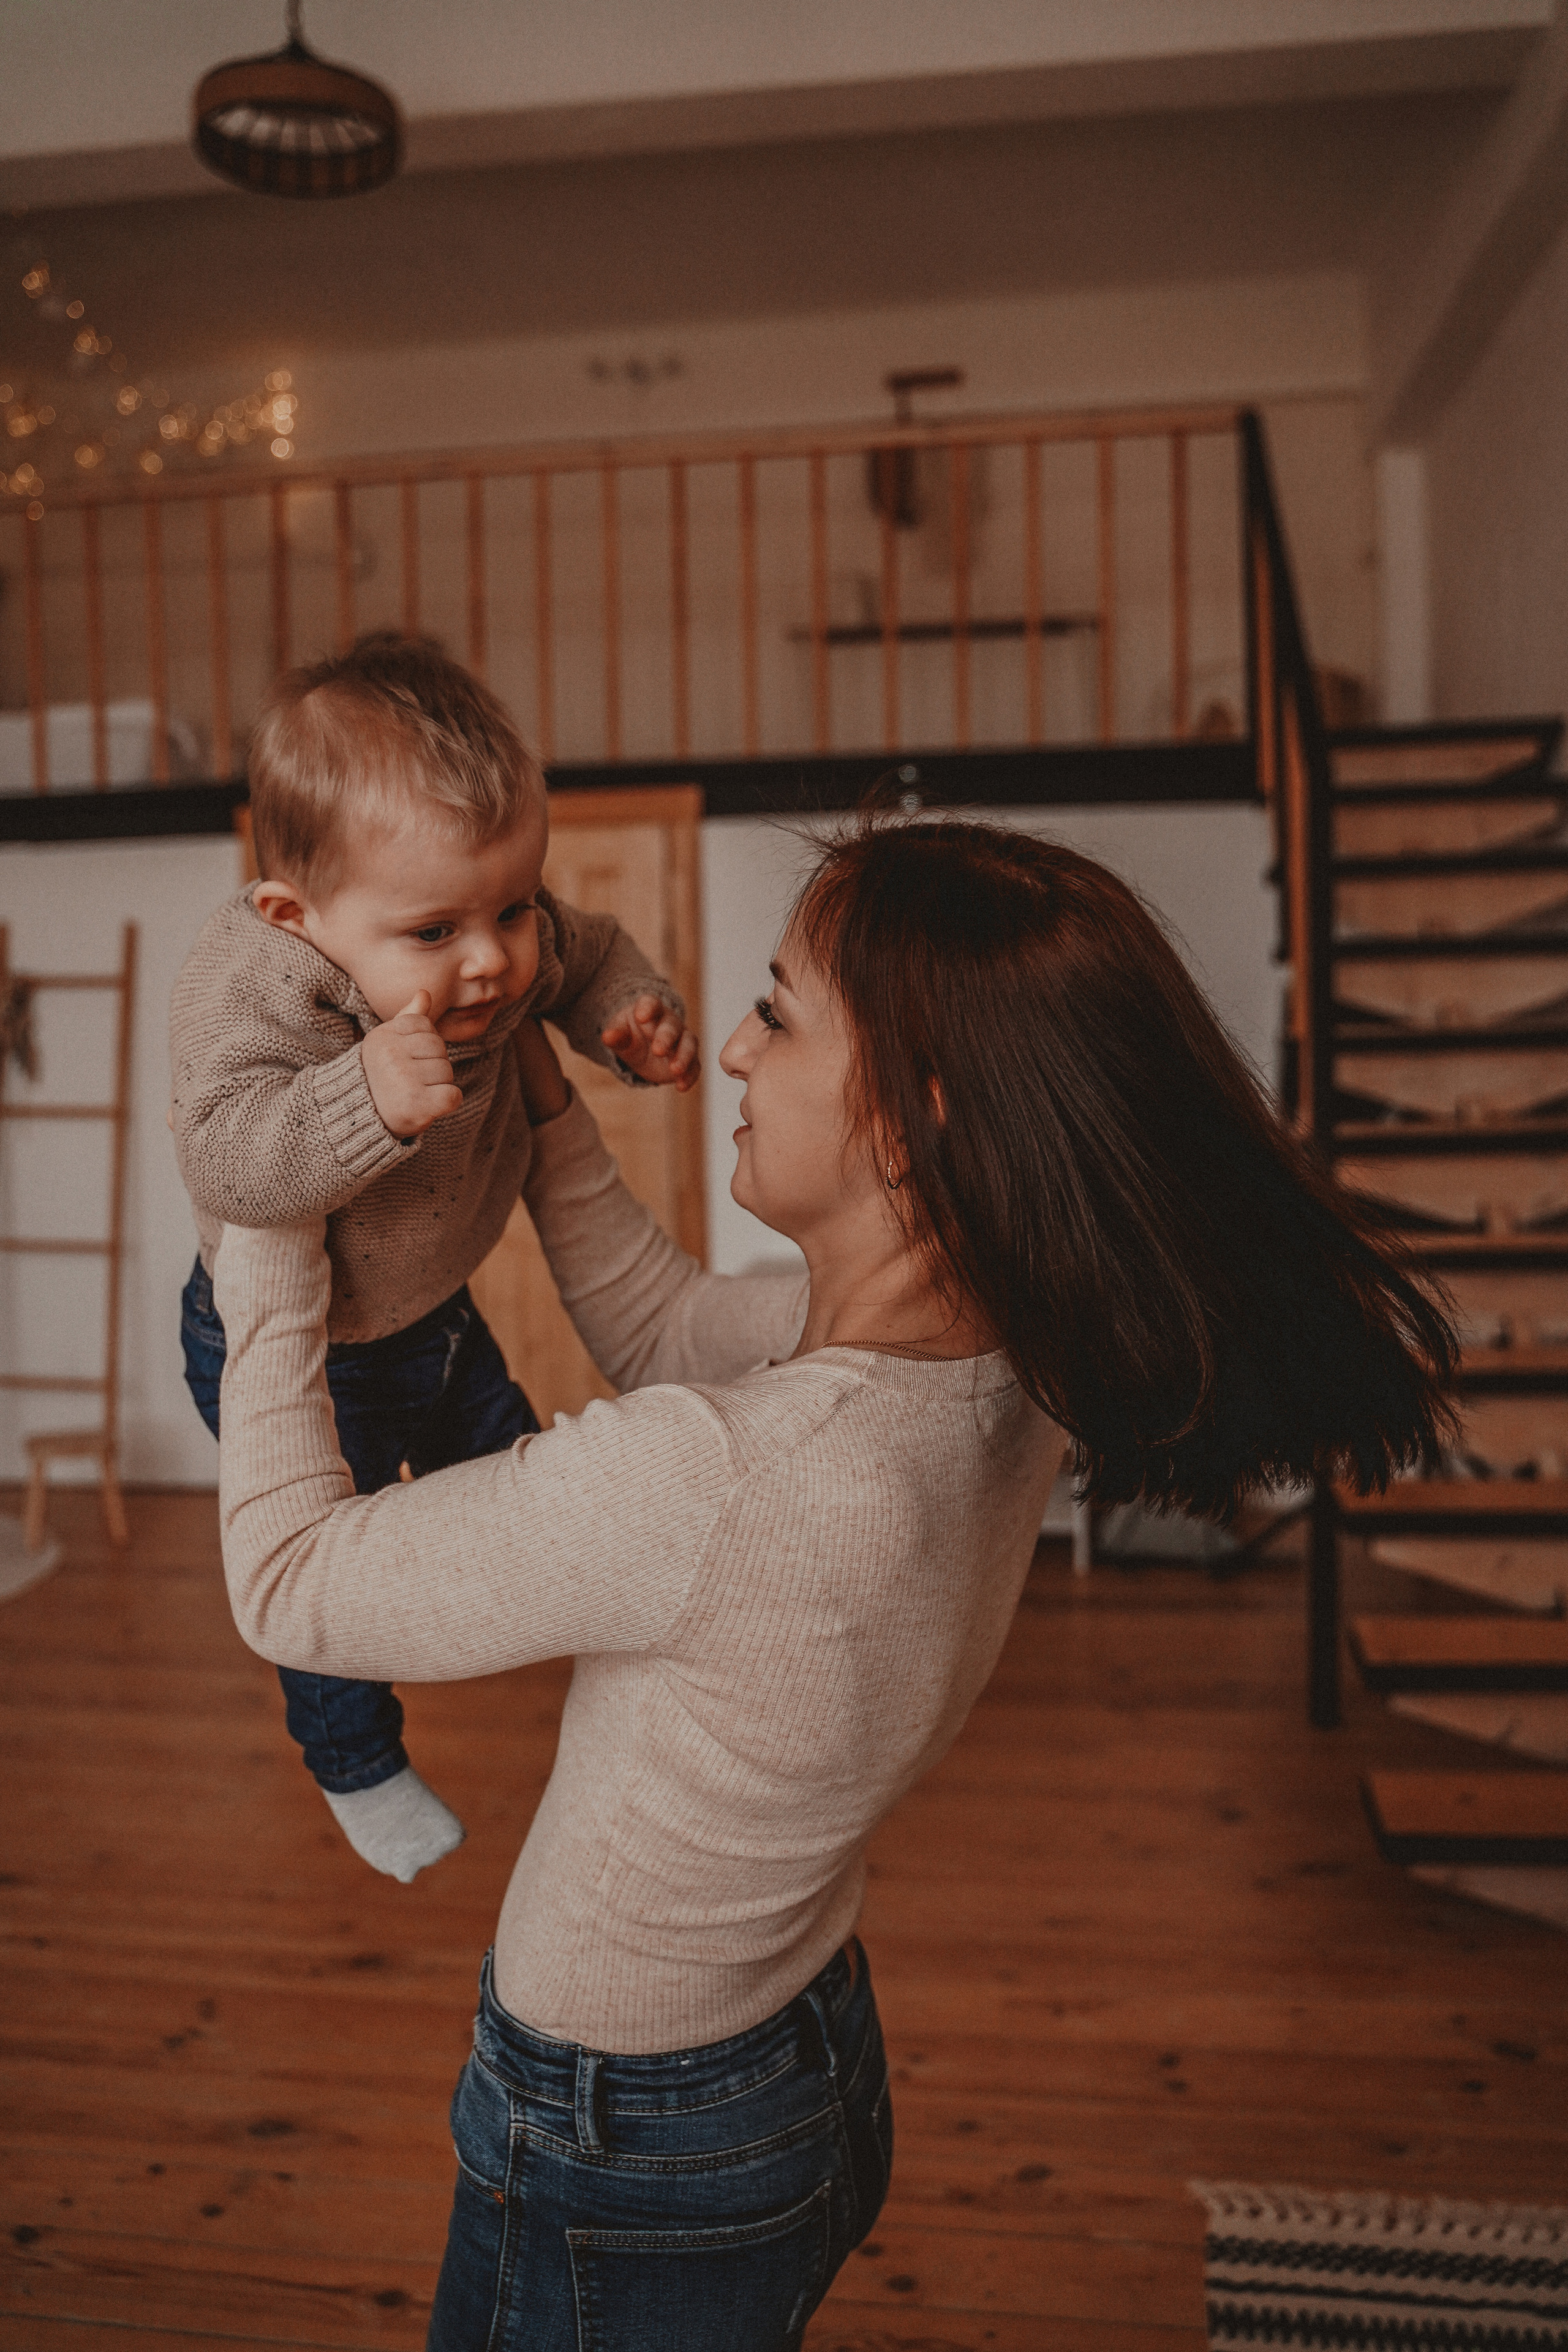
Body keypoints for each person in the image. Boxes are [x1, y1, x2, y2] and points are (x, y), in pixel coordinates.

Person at [209, 812, 1455, 2349]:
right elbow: (667, 1327)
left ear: (913, 1119)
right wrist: (539, 1097)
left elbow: (290, 1582)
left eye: (779, 1014)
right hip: (786, 2066)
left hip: (632, 2141)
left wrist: (262, 1217)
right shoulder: (1000, 1365)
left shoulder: (728, 1480)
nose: (731, 1048)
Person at [170, 632, 699, 1887]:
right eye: (435, 931)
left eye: (511, 906)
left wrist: (628, 1021)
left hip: (434, 1306)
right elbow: (225, 1158)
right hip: (301, 1354)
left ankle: (610, 1644)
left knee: (519, 1477)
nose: (492, 959)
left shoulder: (496, 935)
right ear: (296, 917)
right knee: (329, 1585)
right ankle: (355, 1763)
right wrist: (358, 1097)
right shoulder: (257, 990)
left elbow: (589, 953)